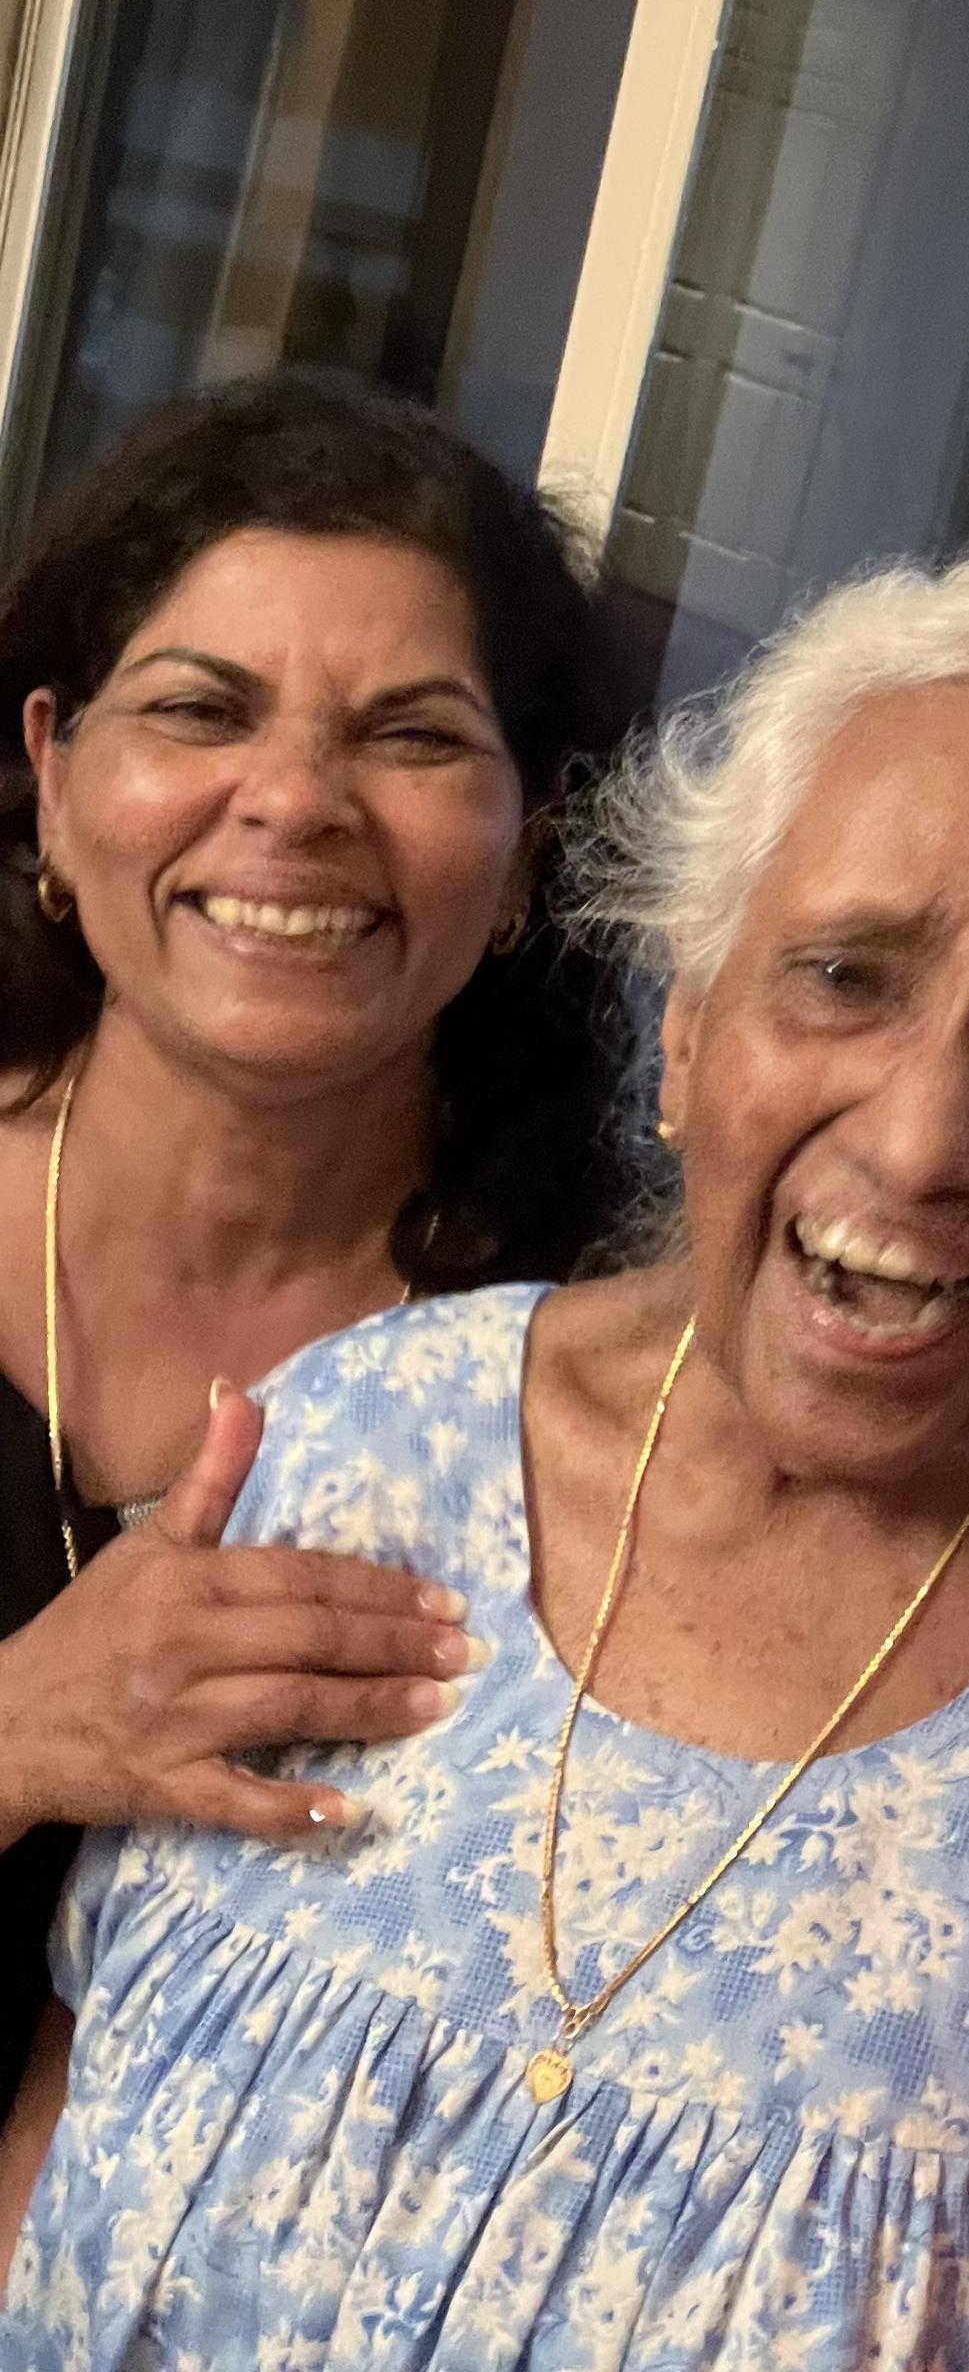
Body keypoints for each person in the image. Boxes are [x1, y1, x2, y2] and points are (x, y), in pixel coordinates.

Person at [3, 541, 969, 2364]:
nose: (924, 1137)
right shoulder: (353, 1437)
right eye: (847, 977)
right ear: (690, 1038)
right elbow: (75, 2091)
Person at [0, 373, 634, 2119]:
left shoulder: (606, 1368)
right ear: (53, 774)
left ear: (530, 849)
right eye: (200, 709)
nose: (294, 801)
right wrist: (21, 1729)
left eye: (414, 738)